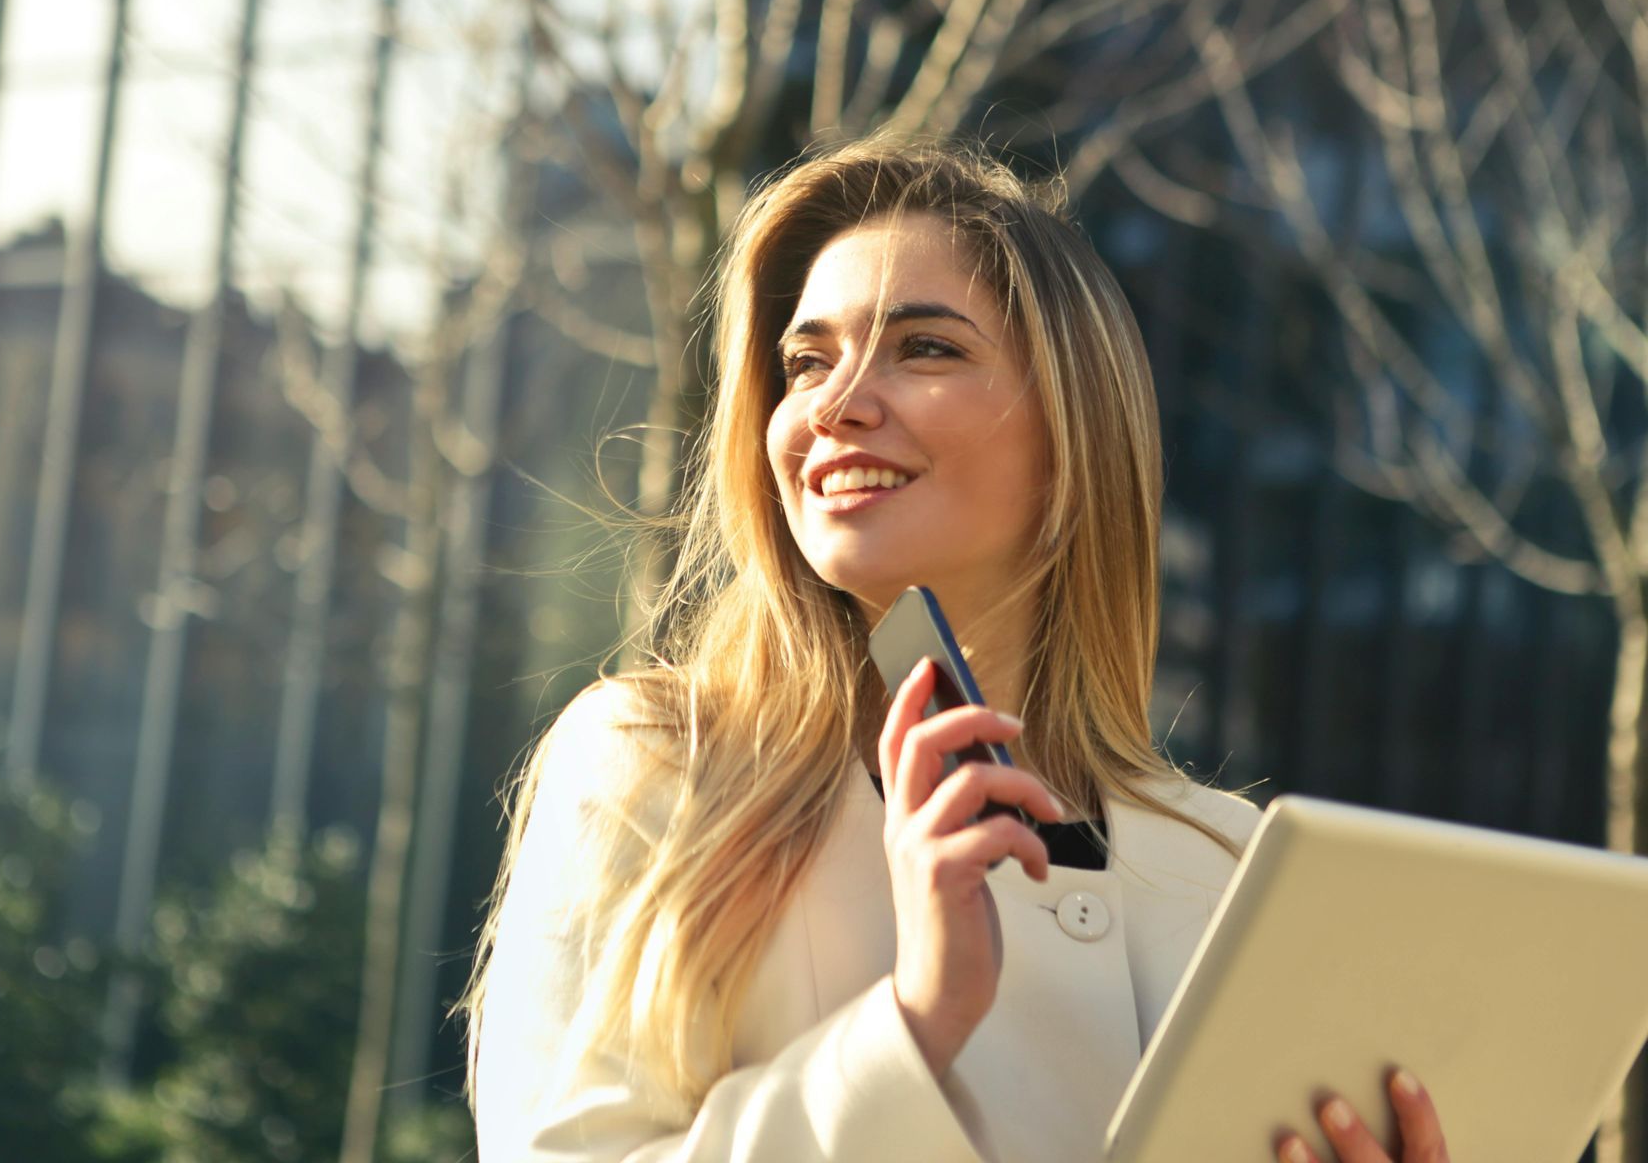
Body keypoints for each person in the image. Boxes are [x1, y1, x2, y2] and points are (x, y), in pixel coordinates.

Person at [459, 138, 1451, 1162]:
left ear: (1075, 431)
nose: (835, 403)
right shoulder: (658, 759)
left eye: (924, 347)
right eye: (806, 360)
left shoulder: (1226, 861)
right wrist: (913, 1022)